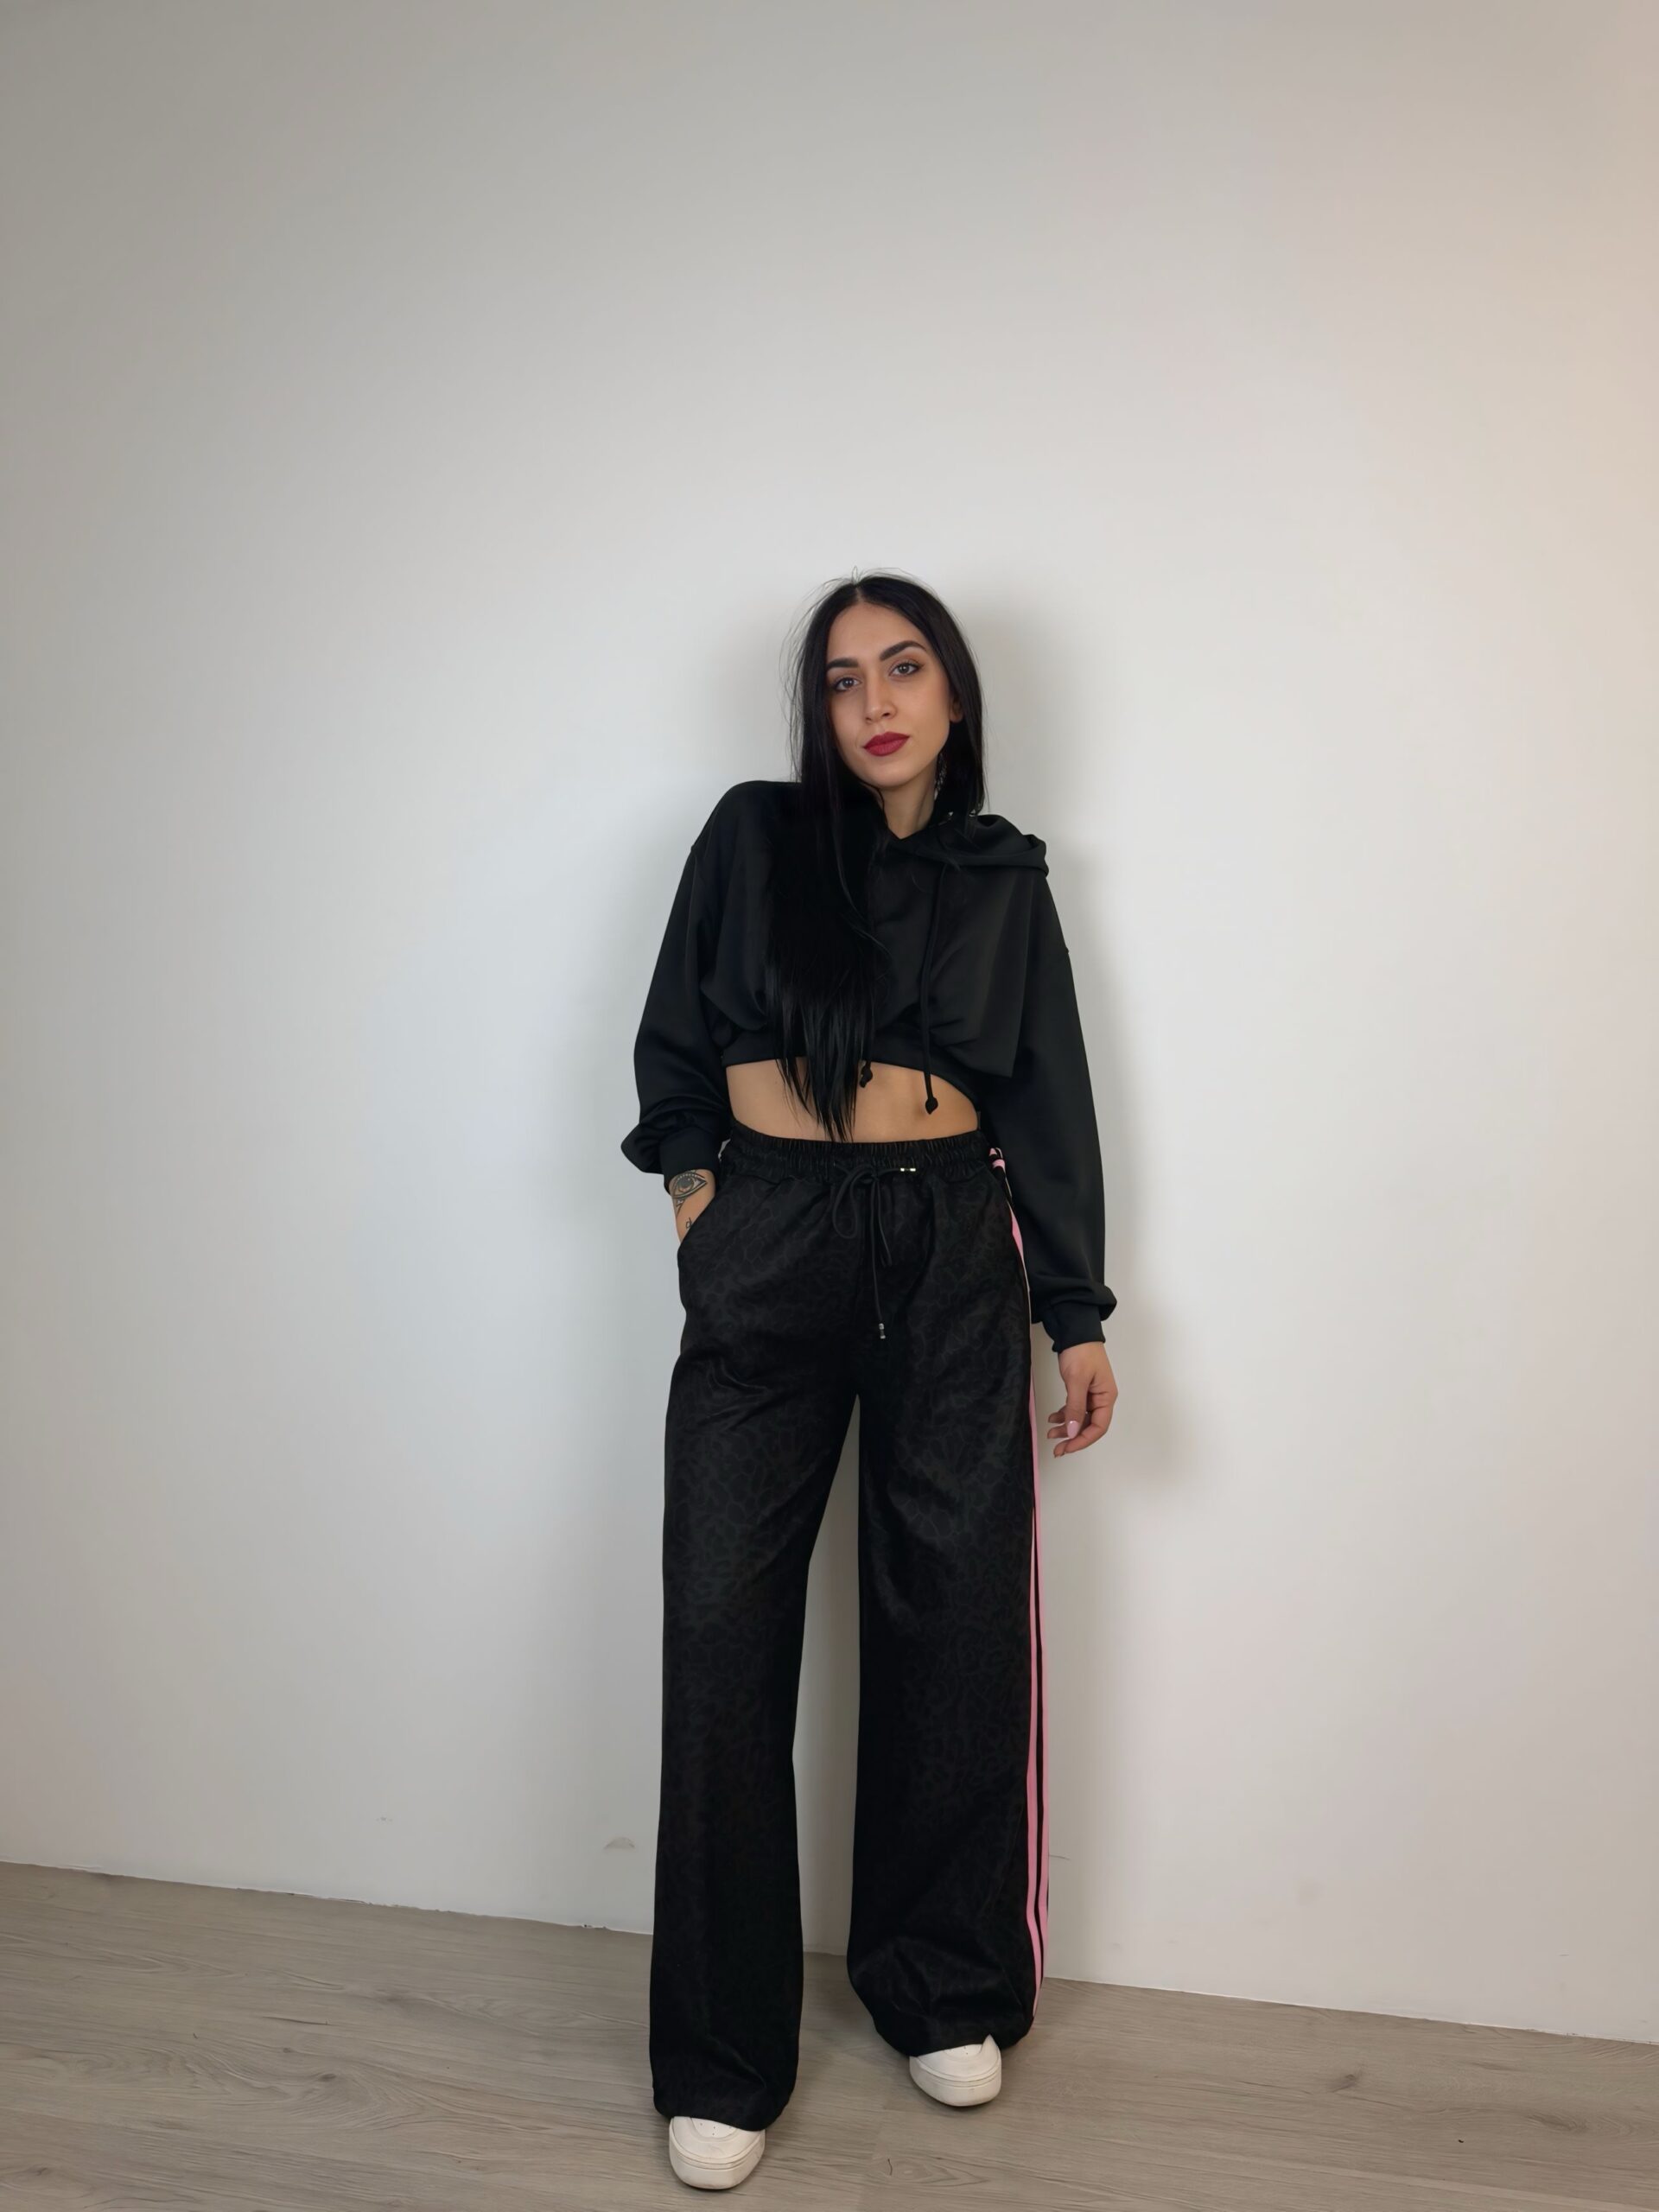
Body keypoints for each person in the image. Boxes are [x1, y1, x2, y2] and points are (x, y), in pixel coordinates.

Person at [620, 572, 1118, 2191]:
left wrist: (1076, 1310)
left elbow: (1048, 1100)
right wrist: (701, 1197)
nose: (875, 702)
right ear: (817, 712)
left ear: (955, 695)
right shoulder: (755, 838)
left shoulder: (1003, 878)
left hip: (952, 1243)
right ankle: (723, 2055)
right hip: (770, 1236)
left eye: (904, 669)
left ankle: (940, 1984)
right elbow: (673, 1037)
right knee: (722, 1631)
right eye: (842, 679)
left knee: (954, 1620)